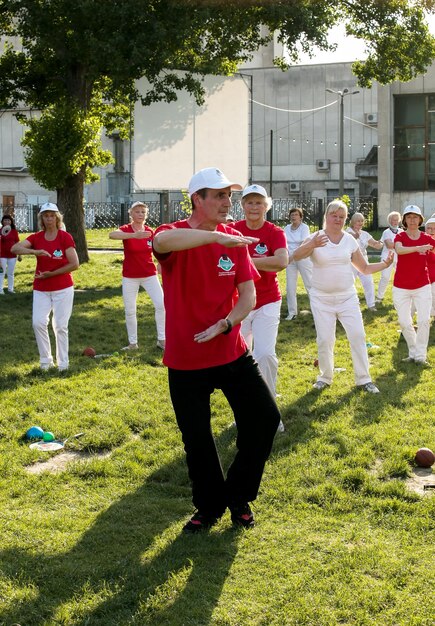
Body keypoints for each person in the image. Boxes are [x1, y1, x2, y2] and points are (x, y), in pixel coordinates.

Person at [153, 167, 281, 533]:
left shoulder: (233, 239)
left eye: (229, 195)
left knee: (264, 420)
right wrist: (213, 240)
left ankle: (238, 495)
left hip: (230, 352)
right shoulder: (172, 233)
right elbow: (162, 245)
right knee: (197, 440)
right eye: (220, 195)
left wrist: (226, 323)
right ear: (198, 199)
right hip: (186, 357)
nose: (229, 202)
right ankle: (208, 507)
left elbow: (249, 295)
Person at [293, 199, 394, 393]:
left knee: (358, 335)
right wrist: (312, 244)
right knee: (324, 339)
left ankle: (364, 379)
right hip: (321, 299)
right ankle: (325, 377)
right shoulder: (316, 237)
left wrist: (384, 265)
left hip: (347, 298)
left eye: (342, 217)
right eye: (334, 215)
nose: (337, 219)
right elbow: (296, 256)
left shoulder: (349, 240)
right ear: (327, 217)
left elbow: (363, 267)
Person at [235, 184, 288, 432]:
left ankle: (270, 413)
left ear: (266, 206)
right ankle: (244, 411)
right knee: (238, 359)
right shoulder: (233, 230)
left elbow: (281, 261)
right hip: (238, 303)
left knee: (265, 354)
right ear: (243, 205)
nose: (254, 207)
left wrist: (246, 261)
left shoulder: (274, 232)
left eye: (258, 202)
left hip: (267, 300)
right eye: (249, 202)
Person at [11, 202, 79, 371]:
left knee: (60, 326)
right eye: (45, 216)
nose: (49, 219)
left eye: (52, 216)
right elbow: (15, 248)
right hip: (41, 288)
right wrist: (35, 251)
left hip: (63, 288)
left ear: (57, 218)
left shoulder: (65, 237)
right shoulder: (36, 237)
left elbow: (74, 264)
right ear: (41, 218)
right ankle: (46, 362)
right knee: (38, 323)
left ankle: (63, 364)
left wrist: (51, 274)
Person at [109, 201, 165, 351]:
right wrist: (134, 235)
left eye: (143, 212)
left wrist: (160, 262)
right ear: (131, 214)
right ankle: (133, 343)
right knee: (130, 310)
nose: (140, 214)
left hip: (149, 274)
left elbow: (158, 249)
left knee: (161, 305)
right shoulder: (126, 229)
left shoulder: (150, 231)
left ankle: (162, 340)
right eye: (137, 211)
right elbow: (112, 235)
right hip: (130, 276)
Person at [393, 205, 434, 365]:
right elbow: (399, 250)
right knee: (404, 322)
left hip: (422, 285)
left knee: (424, 321)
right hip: (401, 287)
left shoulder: (426, 238)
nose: (412, 220)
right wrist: (419, 248)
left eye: (415, 217)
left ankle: (420, 356)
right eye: (409, 217)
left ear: (420, 220)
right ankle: (413, 352)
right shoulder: (400, 236)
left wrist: (427, 247)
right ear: (404, 220)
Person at [346, 212, 383, 311]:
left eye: (362, 221)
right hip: (352, 261)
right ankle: (349, 305)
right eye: (358, 221)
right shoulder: (347, 232)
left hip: (364, 261)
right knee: (349, 283)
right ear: (353, 222)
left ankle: (371, 305)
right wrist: (355, 235)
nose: (360, 223)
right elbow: (349, 237)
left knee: (369, 282)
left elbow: (375, 244)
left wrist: (380, 243)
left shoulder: (365, 234)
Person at [284, 207, 312, 320]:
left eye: (296, 214)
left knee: (309, 284)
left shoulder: (304, 228)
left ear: (300, 217)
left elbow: (304, 243)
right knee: (290, 286)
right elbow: (284, 243)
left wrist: (293, 256)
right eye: (292, 214)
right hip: (289, 260)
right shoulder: (286, 228)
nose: (293, 216)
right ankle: (292, 312)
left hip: (302, 258)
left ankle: (317, 309)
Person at [376, 211, 403, 304]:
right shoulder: (386, 232)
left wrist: (397, 245)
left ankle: (399, 298)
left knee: (401, 278)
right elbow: (389, 245)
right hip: (387, 257)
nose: (394, 222)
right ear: (389, 221)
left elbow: (404, 244)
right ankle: (379, 297)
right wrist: (399, 245)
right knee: (385, 277)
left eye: (396, 220)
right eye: (392, 220)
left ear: (399, 221)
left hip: (399, 258)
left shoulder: (402, 231)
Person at [0, 214, 21, 294]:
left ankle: (10, 289)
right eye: (5, 220)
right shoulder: (0, 230)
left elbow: (17, 242)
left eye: (8, 220)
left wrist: (19, 254)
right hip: (2, 255)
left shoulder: (14, 231)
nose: (7, 221)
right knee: (1, 272)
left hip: (12, 255)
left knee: (11, 273)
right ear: (2, 221)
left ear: (11, 222)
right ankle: (0, 290)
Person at [425, 217, 435, 317]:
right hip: (422, 275)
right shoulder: (420, 240)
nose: (432, 231)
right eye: (429, 228)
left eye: (434, 228)